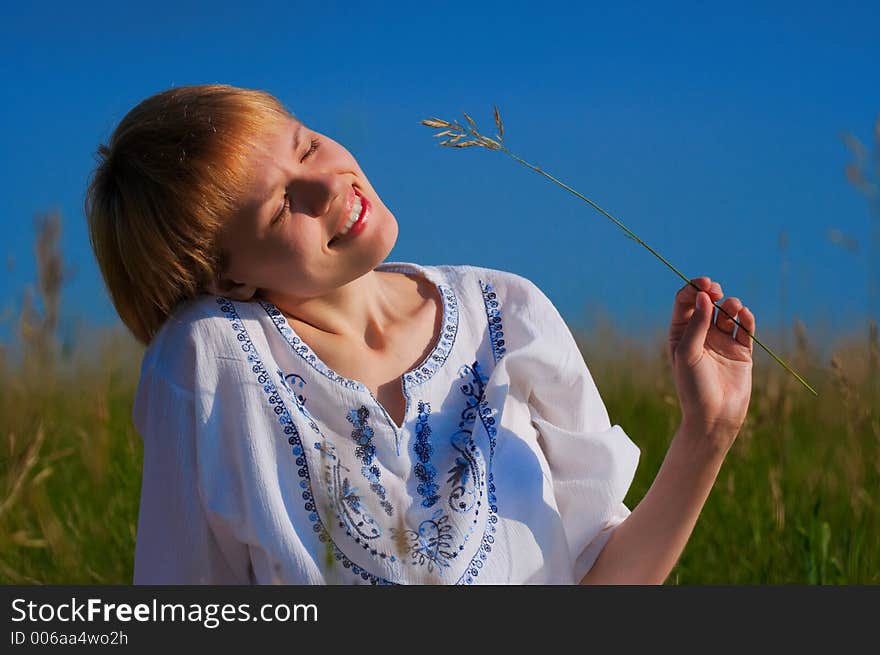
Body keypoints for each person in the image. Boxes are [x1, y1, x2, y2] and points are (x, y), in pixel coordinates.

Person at [85, 84, 755, 585]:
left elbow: (601, 580)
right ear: (227, 280)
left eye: (308, 144)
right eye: (280, 205)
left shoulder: (508, 310)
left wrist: (708, 430)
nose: (326, 184)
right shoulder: (207, 358)